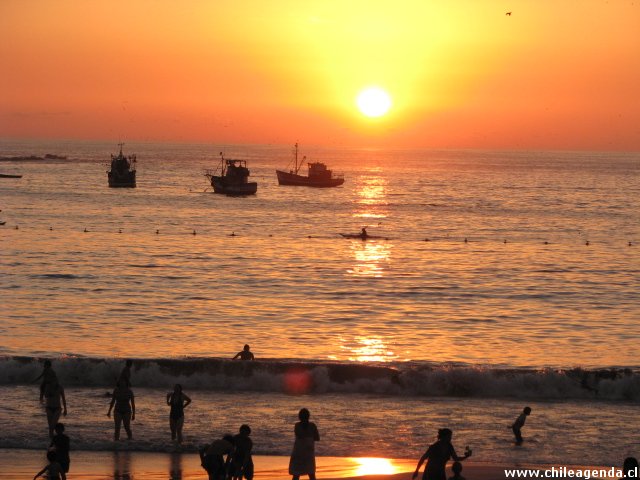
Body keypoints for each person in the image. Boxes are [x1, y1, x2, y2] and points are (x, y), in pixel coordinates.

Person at [289, 408, 320, 480]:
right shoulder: (312, 426)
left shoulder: (297, 425)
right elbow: (317, 438)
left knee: (296, 474)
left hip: (298, 452)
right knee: (311, 474)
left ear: (299, 417)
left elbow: (299, 435)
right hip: (309, 452)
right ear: (308, 416)